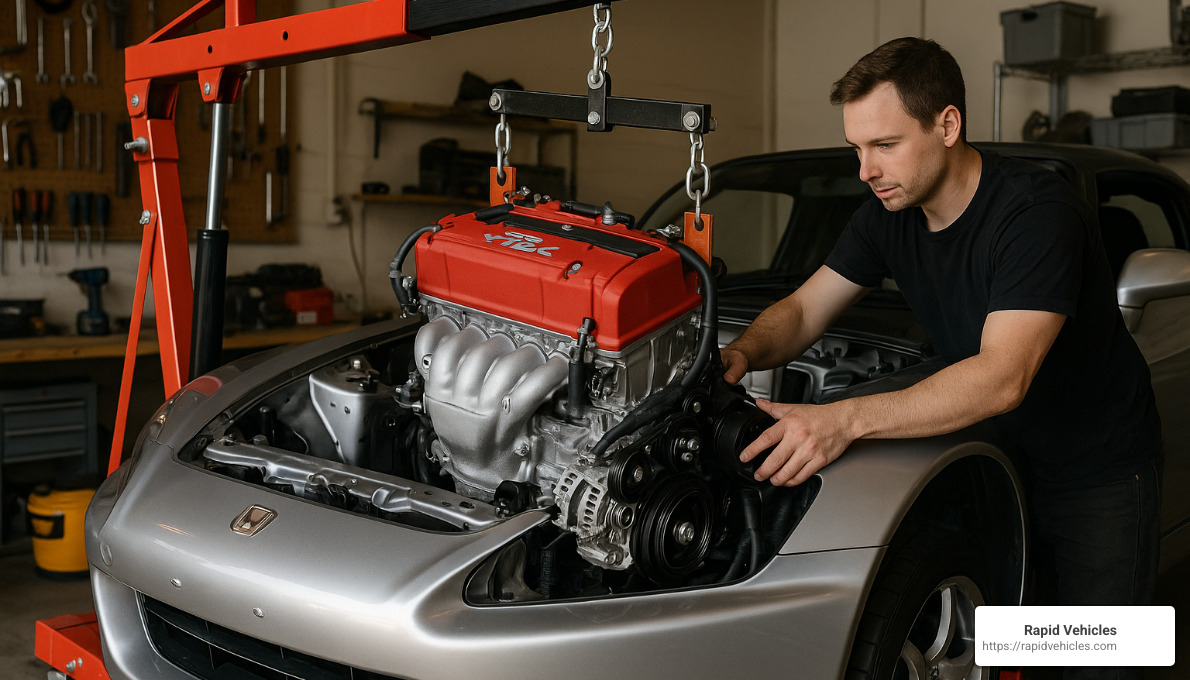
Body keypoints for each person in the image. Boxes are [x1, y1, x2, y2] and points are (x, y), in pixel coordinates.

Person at [722, 37, 1162, 678]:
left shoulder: (1035, 213)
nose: (865, 170)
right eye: (857, 148)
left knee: (1100, 650)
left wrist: (841, 419)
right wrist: (737, 353)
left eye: (884, 145)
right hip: (992, 453)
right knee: (1011, 635)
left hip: (1093, 464)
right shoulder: (885, 214)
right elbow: (803, 311)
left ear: (947, 124)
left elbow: (1003, 375)